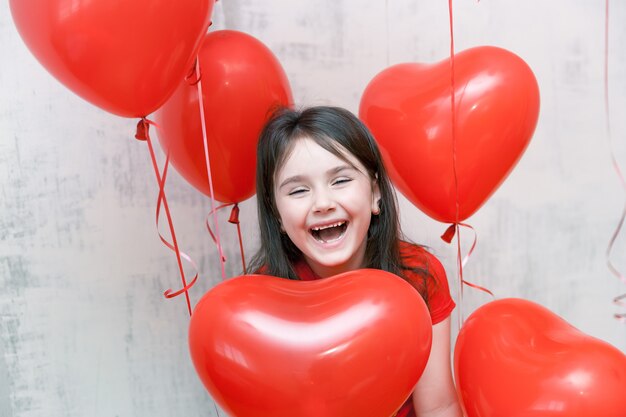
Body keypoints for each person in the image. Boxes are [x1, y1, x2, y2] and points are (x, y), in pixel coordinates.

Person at [249, 106, 463, 417]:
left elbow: (439, 406)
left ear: (375, 191)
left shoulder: (418, 274)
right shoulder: (261, 304)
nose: (323, 203)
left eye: (340, 181)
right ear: (277, 214)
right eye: (298, 190)